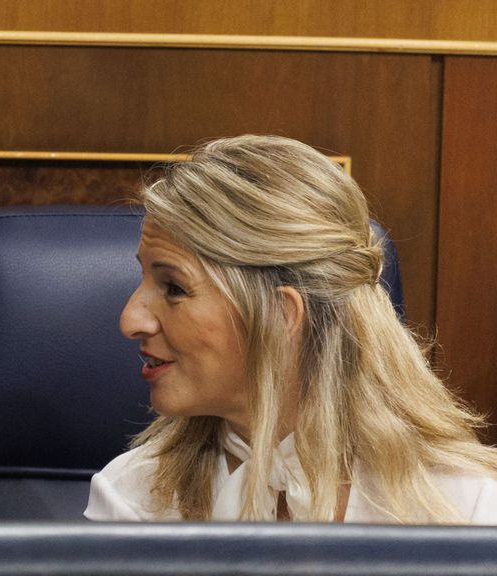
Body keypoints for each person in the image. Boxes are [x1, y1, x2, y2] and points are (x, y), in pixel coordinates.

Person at [85, 135, 497, 523]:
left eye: (174, 288)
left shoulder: (462, 508)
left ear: (282, 315)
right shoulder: (133, 500)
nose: (130, 320)